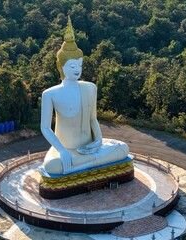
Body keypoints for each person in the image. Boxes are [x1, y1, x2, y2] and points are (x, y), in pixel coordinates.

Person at [40, 17, 129, 175]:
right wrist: (61, 151)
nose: (77, 69)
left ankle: (80, 166)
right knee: (52, 166)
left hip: (91, 148)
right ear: (60, 66)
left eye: (80, 65)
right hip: (66, 149)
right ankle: (88, 164)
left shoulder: (90, 88)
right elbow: (45, 128)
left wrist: (99, 140)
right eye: (72, 65)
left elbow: (92, 119)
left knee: (123, 148)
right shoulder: (50, 94)